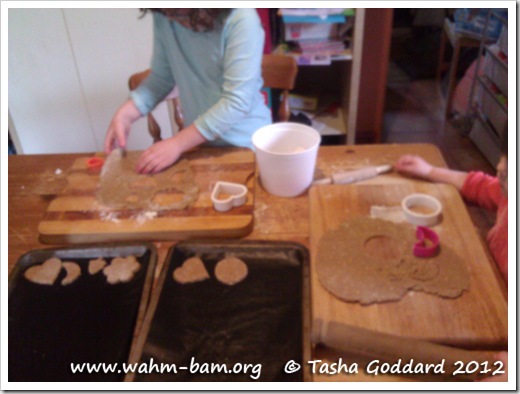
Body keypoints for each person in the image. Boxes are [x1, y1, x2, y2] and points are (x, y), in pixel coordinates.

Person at [104, 8, 271, 174]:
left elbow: (236, 102)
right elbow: (162, 78)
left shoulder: (242, 18)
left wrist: (178, 143)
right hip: (199, 145)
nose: (171, 17)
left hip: (246, 146)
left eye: (178, 12)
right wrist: (126, 112)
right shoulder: (164, 14)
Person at [395, 131, 508, 285]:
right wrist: (429, 171)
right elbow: (479, 186)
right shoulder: (508, 194)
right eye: (505, 156)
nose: (500, 167)